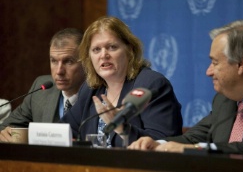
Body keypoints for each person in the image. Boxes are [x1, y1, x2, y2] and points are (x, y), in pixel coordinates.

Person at [128, 20, 243, 155]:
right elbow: (194, 138)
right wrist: (157, 144)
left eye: (215, 62)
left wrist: (197, 150)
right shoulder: (225, 99)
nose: (208, 71)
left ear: (241, 64)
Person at [60, 16, 183, 147]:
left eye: (112, 47)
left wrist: (122, 128)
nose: (103, 55)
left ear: (129, 50)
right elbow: (65, 130)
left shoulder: (151, 84)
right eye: (96, 50)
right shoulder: (91, 89)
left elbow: (160, 142)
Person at [0, 28, 86, 142]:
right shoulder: (41, 89)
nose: (59, 71)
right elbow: (6, 127)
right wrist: (6, 134)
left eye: (68, 61)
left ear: (86, 62)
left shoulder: (99, 95)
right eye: (54, 61)